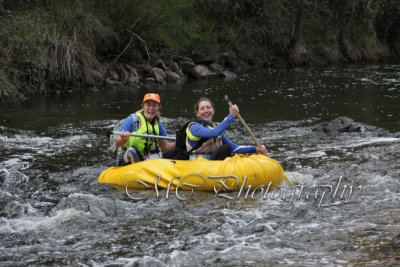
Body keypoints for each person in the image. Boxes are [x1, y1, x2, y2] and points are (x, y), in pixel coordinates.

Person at [186, 97, 267, 160]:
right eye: (202, 108)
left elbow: (233, 148)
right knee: (225, 148)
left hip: (212, 167)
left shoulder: (215, 127)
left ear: (213, 110)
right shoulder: (194, 127)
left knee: (230, 150)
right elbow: (214, 133)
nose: (206, 110)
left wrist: (256, 149)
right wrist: (231, 115)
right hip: (198, 166)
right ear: (197, 113)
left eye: (208, 107)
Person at [115, 93, 175, 165]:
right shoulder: (132, 120)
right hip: (127, 159)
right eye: (148, 105)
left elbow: (165, 147)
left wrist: (180, 142)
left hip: (146, 158)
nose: (151, 108)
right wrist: (123, 139)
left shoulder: (158, 124)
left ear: (158, 108)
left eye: (154, 106)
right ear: (143, 106)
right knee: (133, 151)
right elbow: (117, 143)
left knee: (177, 151)